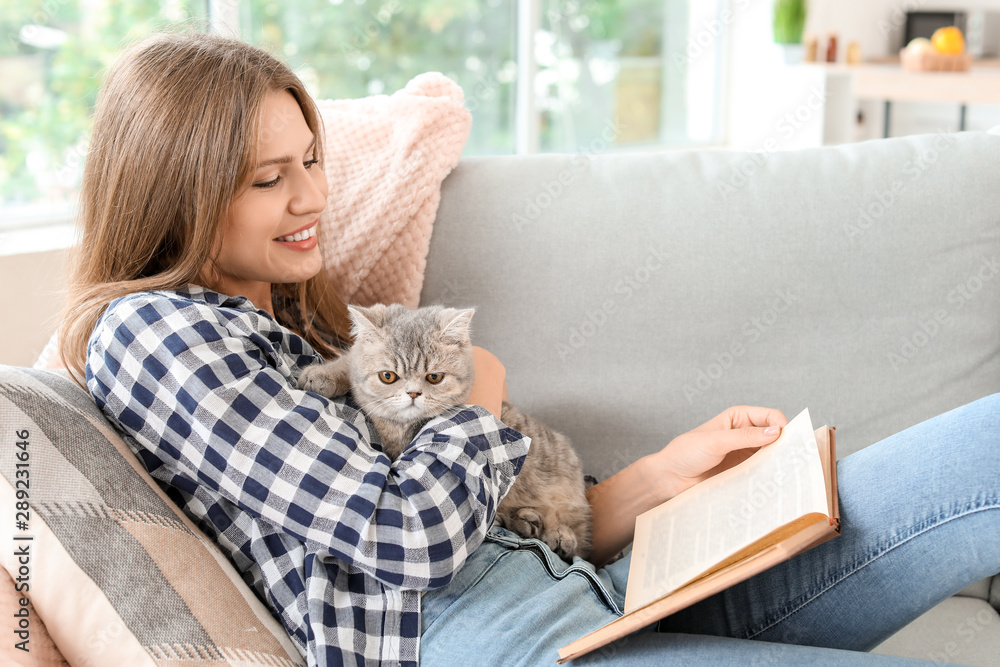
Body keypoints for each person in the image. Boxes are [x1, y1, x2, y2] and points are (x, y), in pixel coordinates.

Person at [62, 31, 999, 666]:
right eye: (270, 178)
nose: (312, 199)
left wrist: (655, 480)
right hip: (507, 642)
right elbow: (404, 536)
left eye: (313, 161)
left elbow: (488, 520)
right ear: (173, 192)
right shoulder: (156, 335)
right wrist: (479, 394)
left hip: (589, 594)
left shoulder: (294, 317)